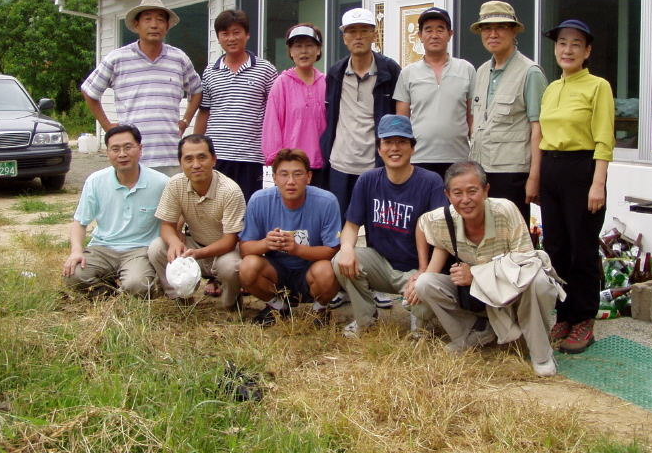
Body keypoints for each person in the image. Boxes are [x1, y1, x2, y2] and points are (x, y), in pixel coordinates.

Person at [414, 161, 564, 376]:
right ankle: (475, 333)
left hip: (511, 294)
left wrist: (475, 274)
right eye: (457, 193)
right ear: (447, 195)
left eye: (472, 191)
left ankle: (541, 353)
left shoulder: (505, 210)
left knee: (539, 281)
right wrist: (422, 269)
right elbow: (422, 224)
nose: (465, 200)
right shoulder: (443, 219)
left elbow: (527, 264)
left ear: (486, 191)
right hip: (478, 298)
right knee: (425, 283)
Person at [333, 114, 447, 337]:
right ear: (379, 148)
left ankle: (419, 315)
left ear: (412, 147)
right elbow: (351, 226)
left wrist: (425, 273)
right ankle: (365, 318)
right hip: (381, 265)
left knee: (425, 304)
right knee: (340, 260)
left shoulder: (431, 181)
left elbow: (442, 239)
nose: (394, 148)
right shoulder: (368, 180)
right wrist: (346, 248)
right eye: (388, 142)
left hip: (417, 268)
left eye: (402, 141)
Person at [539, 19, 614, 354]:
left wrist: (598, 183)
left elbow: (604, 139)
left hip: (582, 170)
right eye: (562, 43)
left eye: (575, 44)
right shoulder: (552, 88)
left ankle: (584, 318)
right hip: (551, 169)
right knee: (555, 247)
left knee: (582, 248)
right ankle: (564, 316)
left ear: (587, 52)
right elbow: (542, 135)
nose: (567, 50)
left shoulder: (598, 86)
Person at [81, 0, 203, 175]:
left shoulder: (179, 59)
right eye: (147, 19)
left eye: (160, 20)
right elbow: (89, 91)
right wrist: (107, 126)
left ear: (167, 26)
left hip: (169, 154)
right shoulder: (118, 58)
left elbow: (197, 91)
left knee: (171, 194)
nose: (154, 25)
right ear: (136, 25)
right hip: (132, 157)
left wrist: (185, 121)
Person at [62, 124, 169, 297]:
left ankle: (132, 285)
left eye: (128, 147)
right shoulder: (95, 181)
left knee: (136, 286)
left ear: (140, 149)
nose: (122, 154)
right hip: (102, 248)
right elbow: (80, 222)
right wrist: (76, 251)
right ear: (107, 153)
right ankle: (110, 292)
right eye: (115, 149)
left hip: (140, 250)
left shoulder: (161, 183)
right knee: (73, 276)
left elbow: (172, 221)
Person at [239, 148, 341, 326]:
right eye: (284, 174)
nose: (291, 181)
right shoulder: (259, 200)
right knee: (247, 266)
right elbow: (244, 248)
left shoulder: (327, 201)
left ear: (309, 177)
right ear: (274, 177)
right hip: (276, 271)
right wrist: (266, 244)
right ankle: (277, 307)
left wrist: (297, 249)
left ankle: (319, 310)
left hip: (310, 271)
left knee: (328, 271)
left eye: (298, 174)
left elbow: (333, 250)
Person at [468, 1, 548, 223]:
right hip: (481, 172)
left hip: (513, 174)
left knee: (512, 235)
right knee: (483, 233)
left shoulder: (530, 72)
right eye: (487, 28)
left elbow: (539, 128)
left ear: (514, 31)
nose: (493, 34)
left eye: (501, 27)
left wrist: (535, 177)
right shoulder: (481, 72)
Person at [320, 8, 401, 221]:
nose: (358, 36)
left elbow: (399, 115)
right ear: (344, 37)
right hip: (340, 163)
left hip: (376, 163)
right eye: (352, 31)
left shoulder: (390, 71)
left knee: (378, 224)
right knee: (339, 224)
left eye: (364, 30)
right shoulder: (336, 73)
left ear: (374, 35)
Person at [147, 134, 246, 309]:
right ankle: (180, 297)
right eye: (189, 159)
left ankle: (231, 303)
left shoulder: (230, 191)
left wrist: (198, 254)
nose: (196, 165)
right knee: (157, 248)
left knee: (231, 267)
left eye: (202, 157)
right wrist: (174, 241)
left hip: (225, 251)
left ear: (214, 160)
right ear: (180, 163)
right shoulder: (175, 184)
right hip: (194, 245)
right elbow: (167, 225)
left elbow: (230, 241)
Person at [195, 9, 277, 202]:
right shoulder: (210, 72)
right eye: (225, 33)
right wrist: (196, 147)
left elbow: (275, 114)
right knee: (215, 207)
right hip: (217, 156)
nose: (231, 38)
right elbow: (204, 112)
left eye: (236, 32)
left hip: (251, 157)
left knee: (247, 207)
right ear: (218, 38)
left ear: (247, 34)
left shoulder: (265, 70)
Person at [394, 7, 476, 178]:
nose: (434, 35)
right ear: (420, 35)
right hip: (418, 158)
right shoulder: (408, 73)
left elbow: (472, 117)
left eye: (440, 29)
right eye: (428, 30)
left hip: (459, 159)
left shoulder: (466, 69)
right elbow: (402, 122)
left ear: (450, 34)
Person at [262, 24, 326, 187]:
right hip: (291, 167)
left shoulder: (327, 83)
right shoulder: (282, 83)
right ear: (290, 51)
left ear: (318, 49)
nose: (303, 51)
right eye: (297, 46)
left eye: (309, 45)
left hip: (322, 165)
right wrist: (277, 162)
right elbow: (272, 125)